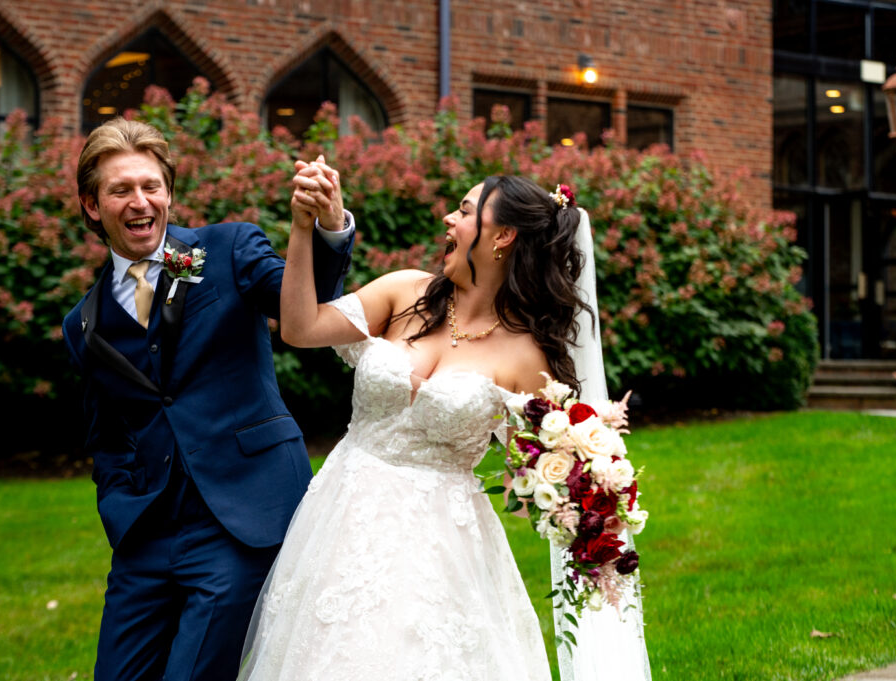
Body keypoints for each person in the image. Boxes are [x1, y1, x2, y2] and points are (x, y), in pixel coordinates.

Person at [238, 172, 591, 680]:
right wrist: (301, 228)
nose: (449, 218)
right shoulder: (405, 292)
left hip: (442, 542)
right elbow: (299, 327)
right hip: (345, 513)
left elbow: (534, 484)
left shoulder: (526, 356)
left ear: (503, 235)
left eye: (465, 211)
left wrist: (565, 484)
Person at [60, 117, 355, 681]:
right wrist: (121, 505)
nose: (140, 201)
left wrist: (328, 226)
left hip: (242, 518)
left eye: (151, 186)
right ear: (93, 206)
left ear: (168, 194)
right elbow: (108, 434)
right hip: (147, 535)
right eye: (121, 190)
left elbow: (303, 305)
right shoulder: (84, 324)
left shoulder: (222, 250)